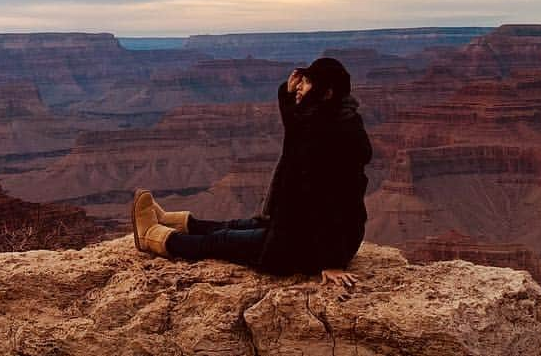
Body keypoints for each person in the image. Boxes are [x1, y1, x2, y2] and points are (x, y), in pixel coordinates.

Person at [131, 56, 372, 288]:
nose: (299, 86)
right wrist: (288, 94)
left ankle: (153, 237)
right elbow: (295, 129)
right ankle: (171, 221)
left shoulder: (338, 140)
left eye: (307, 83)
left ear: (327, 93)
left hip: (307, 248)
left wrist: (331, 262)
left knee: (220, 241)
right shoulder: (326, 120)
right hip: (300, 229)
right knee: (238, 225)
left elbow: (340, 206)